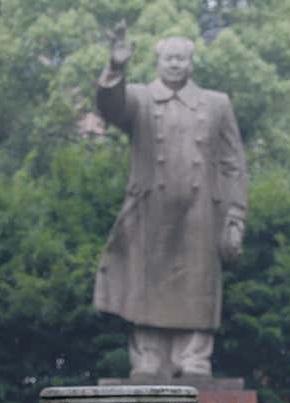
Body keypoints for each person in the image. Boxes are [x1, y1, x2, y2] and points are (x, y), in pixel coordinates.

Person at [94, 22, 247, 378]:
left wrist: (235, 217)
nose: (175, 64)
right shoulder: (140, 98)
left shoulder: (217, 104)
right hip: (150, 212)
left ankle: (193, 357)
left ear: (191, 63)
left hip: (201, 214)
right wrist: (116, 67)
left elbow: (233, 165)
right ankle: (148, 357)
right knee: (145, 282)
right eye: (169, 58)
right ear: (158, 60)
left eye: (181, 58)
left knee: (198, 283)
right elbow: (109, 107)